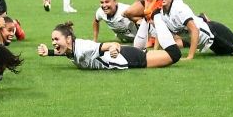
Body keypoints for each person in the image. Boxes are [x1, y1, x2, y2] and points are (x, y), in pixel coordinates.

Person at [37, 21, 181, 70]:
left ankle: (155, 15)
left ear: (68, 39)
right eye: (52, 40)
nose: (54, 43)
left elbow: (112, 44)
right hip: (127, 54)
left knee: (174, 56)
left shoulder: (84, 48)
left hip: (128, 58)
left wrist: (114, 48)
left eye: (56, 39)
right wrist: (48, 52)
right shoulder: (71, 48)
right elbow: (65, 53)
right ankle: (146, 18)